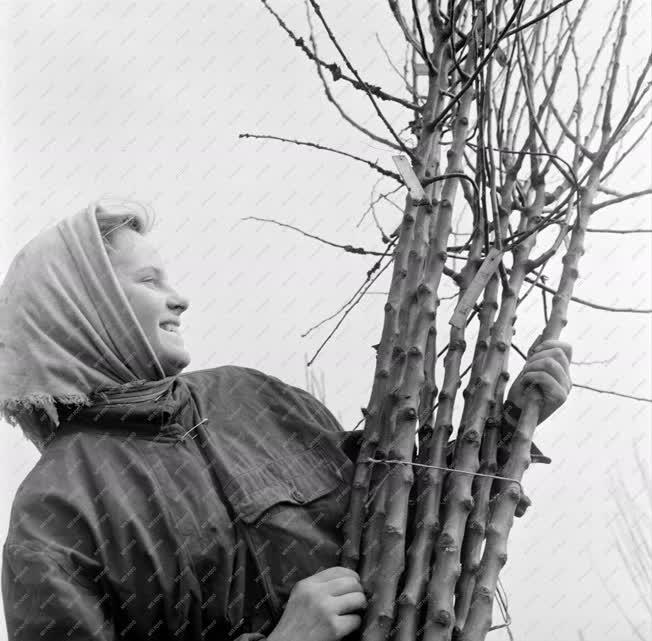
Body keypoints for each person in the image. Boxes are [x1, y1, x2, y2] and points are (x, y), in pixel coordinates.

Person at [0, 200, 572, 640]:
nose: (179, 300)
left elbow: (398, 513)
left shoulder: (250, 397)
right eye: (148, 282)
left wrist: (506, 429)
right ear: (82, 307)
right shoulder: (54, 513)